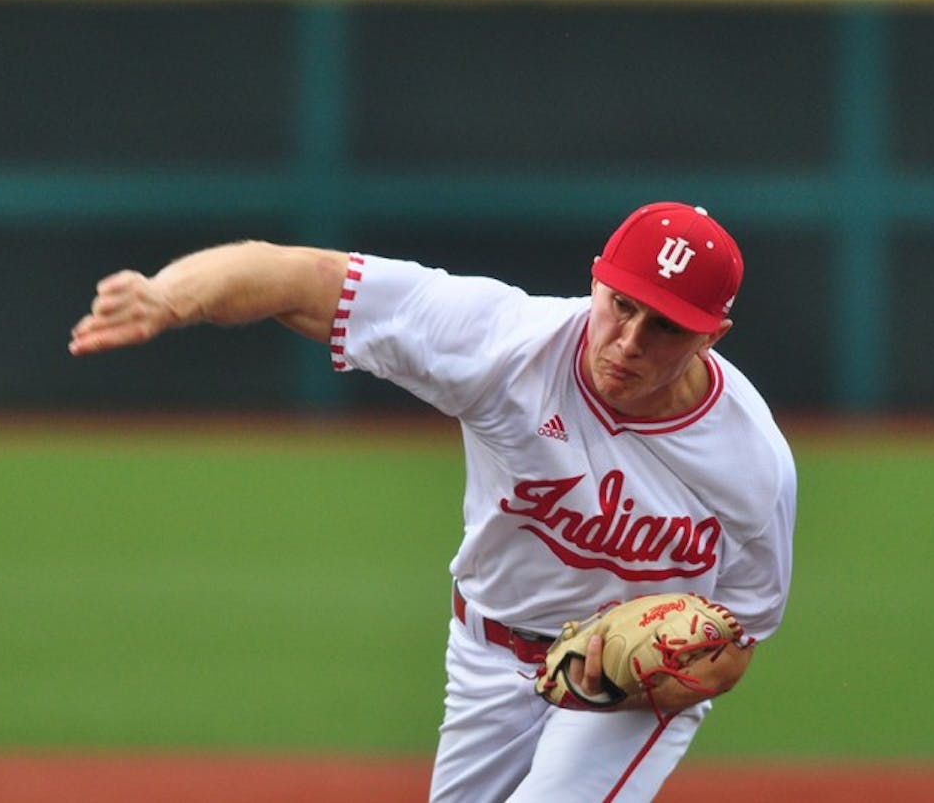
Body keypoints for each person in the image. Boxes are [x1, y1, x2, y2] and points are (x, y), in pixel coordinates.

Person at [68, 201, 796, 802]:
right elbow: (295, 275)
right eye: (622, 306)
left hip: (629, 695)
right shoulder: (503, 344)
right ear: (595, 282)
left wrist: (645, 673)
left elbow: (737, 643)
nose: (630, 340)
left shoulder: (751, 462)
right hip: (488, 651)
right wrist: (168, 295)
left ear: (712, 337)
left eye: (665, 325)